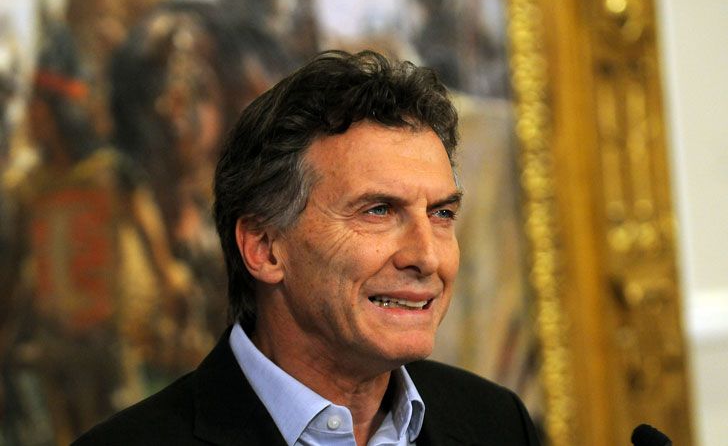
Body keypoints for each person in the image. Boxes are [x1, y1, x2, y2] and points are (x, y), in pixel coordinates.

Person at [73, 50, 540, 445]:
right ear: (264, 247)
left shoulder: (497, 424)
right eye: (378, 211)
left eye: (441, 214)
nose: (427, 257)